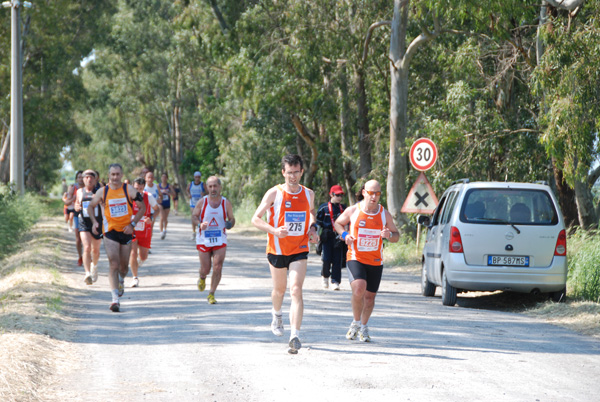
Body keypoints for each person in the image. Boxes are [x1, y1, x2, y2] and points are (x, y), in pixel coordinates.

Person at [251, 154, 318, 354]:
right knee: (279, 290)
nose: (293, 176)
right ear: (283, 172)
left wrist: (312, 228)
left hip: (299, 248)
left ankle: (295, 335)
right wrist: (274, 231)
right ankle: (277, 314)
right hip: (277, 248)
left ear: (302, 172)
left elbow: (311, 212)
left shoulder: (309, 194)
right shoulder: (274, 193)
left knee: (296, 290)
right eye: (289, 173)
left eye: (296, 172)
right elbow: (256, 219)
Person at [334, 180, 400, 342]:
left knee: (370, 298)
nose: (374, 197)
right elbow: (338, 223)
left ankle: (363, 326)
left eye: (377, 193)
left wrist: (389, 236)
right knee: (359, 288)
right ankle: (356, 322)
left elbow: (396, 236)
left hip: (376, 260)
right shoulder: (353, 210)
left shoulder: (384, 214)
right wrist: (345, 235)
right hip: (356, 257)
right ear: (364, 192)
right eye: (371, 193)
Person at [87, 163, 146, 312]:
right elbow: (90, 206)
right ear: (109, 175)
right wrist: (94, 222)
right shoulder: (102, 192)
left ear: (122, 175)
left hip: (126, 231)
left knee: (124, 267)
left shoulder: (129, 190)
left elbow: (142, 207)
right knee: (113, 263)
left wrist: (132, 224)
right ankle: (114, 300)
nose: (115, 177)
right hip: (110, 232)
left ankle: (121, 280)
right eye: (112, 174)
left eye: (118, 174)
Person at [192, 176, 235, 304]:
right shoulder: (202, 202)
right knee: (206, 268)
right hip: (204, 239)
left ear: (220, 187)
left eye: (215, 186)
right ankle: (202, 276)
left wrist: (229, 224)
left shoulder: (225, 203)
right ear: (206, 187)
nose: (213, 189)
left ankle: (211, 293)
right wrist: (199, 224)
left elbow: (232, 219)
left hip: (219, 238)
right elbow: (194, 216)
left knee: (218, 266)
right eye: (210, 186)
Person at [128, 177, 160, 287]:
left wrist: (151, 218)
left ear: (144, 187)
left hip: (145, 229)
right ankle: (135, 278)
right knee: (133, 252)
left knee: (143, 256)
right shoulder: (128, 197)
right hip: (132, 229)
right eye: (136, 188)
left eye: (141, 189)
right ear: (133, 186)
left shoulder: (148, 197)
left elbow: (157, 209)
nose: (138, 191)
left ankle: (137, 263)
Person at [74, 170, 103, 285]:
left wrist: (99, 201)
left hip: (96, 222)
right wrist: (76, 206)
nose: (89, 179)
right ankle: (87, 273)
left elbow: (105, 205)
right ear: (83, 179)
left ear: (95, 180)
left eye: (91, 177)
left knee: (95, 250)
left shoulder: (100, 191)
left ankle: (94, 266)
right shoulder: (80, 192)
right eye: (86, 177)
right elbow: (77, 205)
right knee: (86, 247)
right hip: (84, 222)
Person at [316, 184, 347, 290]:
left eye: (341, 195)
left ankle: (335, 281)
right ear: (331, 194)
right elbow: (318, 223)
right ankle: (325, 277)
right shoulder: (323, 208)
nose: (339, 197)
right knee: (326, 259)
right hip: (327, 236)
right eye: (337, 195)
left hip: (339, 237)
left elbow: (348, 222)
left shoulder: (344, 208)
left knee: (338, 260)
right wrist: (317, 236)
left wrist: (345, 234)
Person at [63, 171, 84, 265]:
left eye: (82, 177)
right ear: (76, 179)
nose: (80, 179)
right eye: (79, 177)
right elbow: (66, 203)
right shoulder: (73, 188)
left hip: (89, 215)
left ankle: (88, 256)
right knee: (78, 238)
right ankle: (80, 257)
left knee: (89, 238)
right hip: (77, 214)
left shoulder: (90, 187)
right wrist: (74, 198)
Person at [187, 171, 206, 239]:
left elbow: (207, 192)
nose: (197, 178)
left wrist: (204, 194)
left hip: (200, 204)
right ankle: (193, 232)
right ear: (194, 177)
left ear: (200, 177)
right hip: (192, 203)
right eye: (196, 177)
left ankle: (200, 230)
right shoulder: (191, 184)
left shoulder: (202, 184)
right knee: (193, 217)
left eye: (198, 177)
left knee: (200, 217)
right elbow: (187, 190)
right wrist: (188, 195)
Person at [158, 172, 176, 239]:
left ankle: (165, 229)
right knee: (162, 218)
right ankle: (161, 232)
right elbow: (156, 193)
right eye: (162, 177)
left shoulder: (169, 186)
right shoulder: (158, 186)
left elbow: (174, 194)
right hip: (160, 203)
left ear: (167, 178)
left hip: (167, 203)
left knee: (165, 218)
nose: (164, 178)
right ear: (161, 178)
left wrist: (169, 193)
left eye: (165, 177)